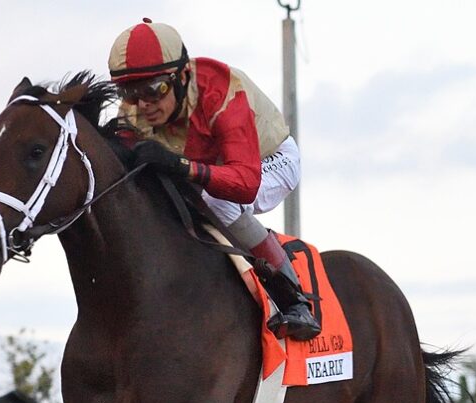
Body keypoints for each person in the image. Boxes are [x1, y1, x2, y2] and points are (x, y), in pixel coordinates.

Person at [108, 19, 319, 340]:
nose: (143, 106)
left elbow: (245, 183)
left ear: (181, 77)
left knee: (217, 198)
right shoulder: (133, 112)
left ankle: (292, 297)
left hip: (270, 161)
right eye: (130, 93)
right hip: (213, 168)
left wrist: (180, 166)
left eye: (154, 90)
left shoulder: (222, 92)